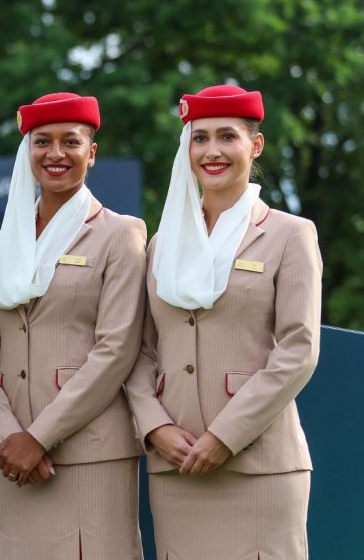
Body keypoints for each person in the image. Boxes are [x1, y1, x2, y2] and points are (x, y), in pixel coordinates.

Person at [126, 85, 321, 558]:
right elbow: (140, 350)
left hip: (260, 463)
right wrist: (154, 427)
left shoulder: (290, 235)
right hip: (177, 463)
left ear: (255, 146)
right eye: (199, 138)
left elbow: (298, 349)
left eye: (227, 137)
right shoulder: (161, 245)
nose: (212, 151)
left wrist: (225, 436)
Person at [0, 93, 146, 559]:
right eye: (42, 142)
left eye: (71, 142)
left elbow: (116, 350)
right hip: (14, 459)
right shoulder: (2, 246)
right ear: (28, 152)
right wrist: (8, 437)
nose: (56, 154)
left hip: (89, 453)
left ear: (92, 152)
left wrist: (38, 437)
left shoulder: (120, 233)